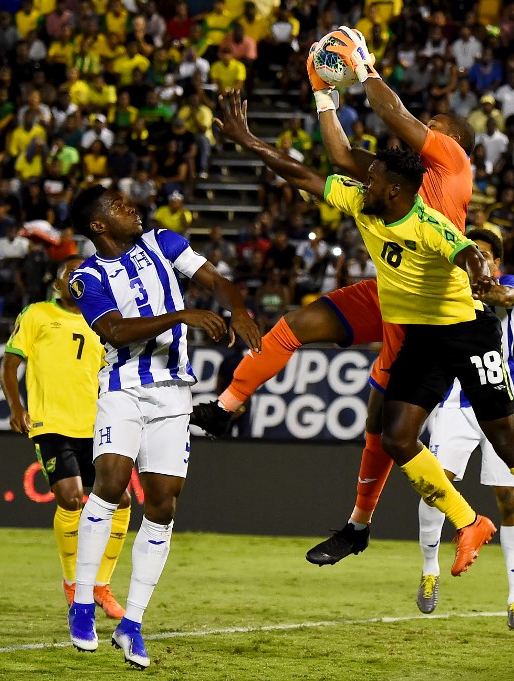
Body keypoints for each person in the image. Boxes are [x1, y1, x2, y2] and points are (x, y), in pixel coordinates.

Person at [216, 87, 514, 589]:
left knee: (504, 439)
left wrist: (479, 276)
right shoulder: (374, 200)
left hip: (468, 330)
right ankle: (470, 523)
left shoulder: (434, 205)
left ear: (391, 189)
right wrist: (250, 140)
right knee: (396, 436)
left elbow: (466, 250)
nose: (363, 184)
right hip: (421, 332)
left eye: (373, 181)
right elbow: (309, 171)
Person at [192, 26, 479, 569]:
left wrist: (363, 67)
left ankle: (360, 524)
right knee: (295, 324)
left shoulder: (453, 167)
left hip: (422, 308)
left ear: (451, 141)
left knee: (380, 427)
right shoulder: (395, 181)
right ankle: (225, 408)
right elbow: (340, 155)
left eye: (431, 127)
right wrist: (323, 92)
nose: (420, 129)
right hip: (389, 286)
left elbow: (394, 115)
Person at [64, 186, 261, 667]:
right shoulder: (84, 277)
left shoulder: (163, 242)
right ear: (98, 226)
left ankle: (132, 625)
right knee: (109, 483)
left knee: (164, 502)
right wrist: (182, 315)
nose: (131, 207)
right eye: (117, 205)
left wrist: (237, 307)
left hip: (174, 392)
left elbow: (215, 279)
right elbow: (113, 331)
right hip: (123, 388)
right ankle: (83, 605)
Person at [0, 256, 131, 617]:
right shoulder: (37, 314)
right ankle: (74, 584)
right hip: (51, 424)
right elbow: (10, 363)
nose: (76, 279)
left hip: (97, 423)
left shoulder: (103, 321)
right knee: (71, 499)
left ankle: (101, 584)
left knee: (120, 501)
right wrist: (15, 406)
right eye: (68, 274)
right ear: (58, 284)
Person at [418, 229, 514, 631]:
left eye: (482, 256)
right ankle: (430, 571)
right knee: (435, 486)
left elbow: (505, 298)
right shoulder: (448, 288)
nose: (475, 262)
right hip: (454, 401)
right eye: (469, 255)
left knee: (508, 499)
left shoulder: (509, 285)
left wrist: (481, 287)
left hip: (500, 402)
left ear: (495, 264)